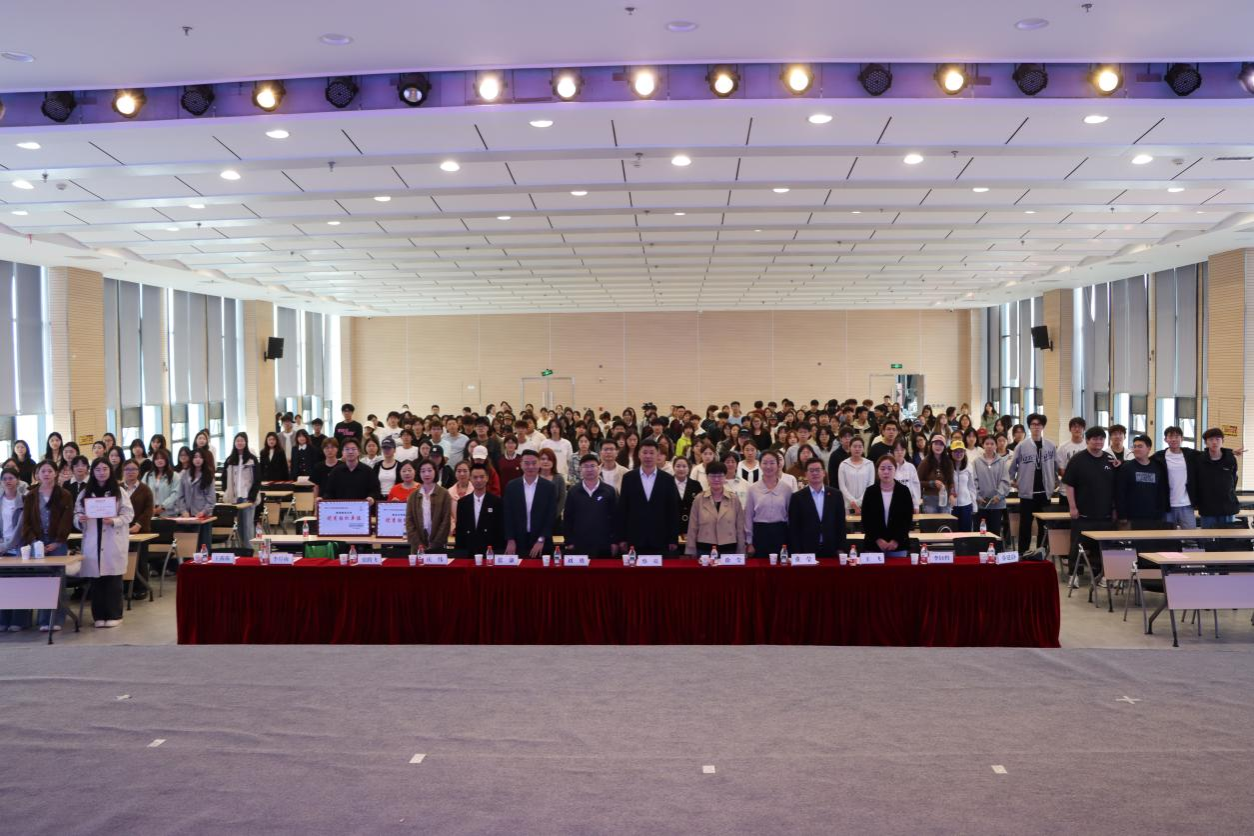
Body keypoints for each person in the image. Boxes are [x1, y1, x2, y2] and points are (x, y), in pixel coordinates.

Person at [74, 458, 135, 628]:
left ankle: (115, 614)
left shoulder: (119, 491)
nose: (101, 472)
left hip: (112, 539)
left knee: (113, 581)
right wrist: (80, 519)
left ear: (110, 471)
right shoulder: (85, 492)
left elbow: (128, 514)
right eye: (98, 469)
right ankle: (99, 616)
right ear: (92, 472)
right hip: (93, 540)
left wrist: (114, 520)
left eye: (105, 469)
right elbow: (76, 513)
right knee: (97, 581)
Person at [23, 461, 74, 631]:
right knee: (41, 580)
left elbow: (67, 520)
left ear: (56, 473)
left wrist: (58, 541)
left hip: (57, 543)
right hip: (37, 543)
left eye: (49, 471)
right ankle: (43, 619)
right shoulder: (31, 495)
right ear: (37, 474)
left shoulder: (65, 494)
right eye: (42, 471)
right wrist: (34, 541)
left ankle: (57, 618)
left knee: (58, 580)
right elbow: (26, 522)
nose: (46, 474)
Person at [1063, 427, 1119, 579]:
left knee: (1101, 547)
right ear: (1087, 440)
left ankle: (1100, 575)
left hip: (1105, 514)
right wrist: (1072, 507)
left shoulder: (1109, 459)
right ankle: (1074, 574)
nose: (1098, 442)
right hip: (1082, 514)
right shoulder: (1077, 459)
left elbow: (1115, 486)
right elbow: (1069, 485)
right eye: (1094, 439)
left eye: (1101, 439)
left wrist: (1115, 509)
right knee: (1077, 545)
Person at [615, 439, 681, 556]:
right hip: (634, 538)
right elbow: (623, 509)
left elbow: (673, 511)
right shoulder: (628, 478)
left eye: (652, 453)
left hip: (661, 538)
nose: (648, 456)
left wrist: (673, 539)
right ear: (639, 454)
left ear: (657, 455)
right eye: (645, 452)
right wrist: (622, 538)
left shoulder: (668, 479)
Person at [1009, 413, 1057, 554]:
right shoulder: (1022, 446)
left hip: (1045, 493)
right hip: (1027, 493)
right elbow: (1012, 467)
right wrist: (1013, 481)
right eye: (1033, 424)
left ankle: (1042, 551)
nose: (1036, 427)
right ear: (1029, 427)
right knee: (1025, 524)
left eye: (1039, 424)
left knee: (1044, 525)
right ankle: (1023, 552)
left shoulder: (1050, 445)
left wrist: (1055, 481)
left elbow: (1055, 466)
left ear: (1043, 427)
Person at [787, 458, 847, 558]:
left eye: (818, 470)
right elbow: (794, 527)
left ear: (824, 473)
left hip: (831, 548)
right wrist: (796, 551)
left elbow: (841, 523)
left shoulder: (836, 495)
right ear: (806, 474)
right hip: (806, 549)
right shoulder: (797, 497)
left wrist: (841, 548)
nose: (815, 473)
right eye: (811, 470)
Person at [503, 450, 557, 557]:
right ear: (521, 464)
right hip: (517, 541)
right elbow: (507, 515)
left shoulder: (549, 487)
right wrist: (510, 539)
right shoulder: (511, 486)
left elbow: (550, 516)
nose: (530, 467)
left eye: (534, 463)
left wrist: (541, 539)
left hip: (541, 541)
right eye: (527, 463)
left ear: (539, 464)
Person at [685, 461, 746, 556]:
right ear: (707, 477)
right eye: (713, 476)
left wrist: (741, 551)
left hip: (729, 547)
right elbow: (692, 527)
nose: (716, 479)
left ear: (725, 477)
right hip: (704, 548)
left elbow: (740, 527)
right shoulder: (699, 499)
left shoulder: (734, 499)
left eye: (720, 476)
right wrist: (691, 550)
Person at [562, 454, 617, 556]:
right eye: (585, 466)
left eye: (592, 466)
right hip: (579, 543)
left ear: (599, 468)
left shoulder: (609, 491)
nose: (589, 469)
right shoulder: (573, 491)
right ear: (580, 470)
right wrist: (569, 541)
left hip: (604, 543)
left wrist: (614, 541)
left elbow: (616, 518)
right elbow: (568, 518)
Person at [859, 456, 914, 557]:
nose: (886, 472)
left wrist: (896, 540)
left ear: (895, 470)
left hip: (898, 546)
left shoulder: (904, 491)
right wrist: (878, 540)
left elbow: (907, 519)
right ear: (877, 471)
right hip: (874, 545)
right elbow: (866, 520)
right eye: (882, 468)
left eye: (889, 468)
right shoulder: (870, 491)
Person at [743, 450, 792, 558]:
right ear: (760, 465)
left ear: (778, 465)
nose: (768, 466)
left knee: (781, 565)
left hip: (781, 533)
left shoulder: (787, 489)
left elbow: (790, 516)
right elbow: (748, 516)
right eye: (765, 463)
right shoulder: (753, 489)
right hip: (760, 533)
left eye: (772, 463)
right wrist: (749, 542)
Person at [1114, 435, 1169, 528]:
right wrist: (1122, 515)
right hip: (1131, 517)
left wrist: (1160, 513)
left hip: (1153, 517)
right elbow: (1120, 493)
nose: (1136, 449)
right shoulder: (1126, 467)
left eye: (1140, 446)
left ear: (1149, 448)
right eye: (1134, 446)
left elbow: (1161, 492)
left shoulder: (1157, 468)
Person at [455, 462, 506, 556]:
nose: (478, 480)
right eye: (475, 477)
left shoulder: (497, 502)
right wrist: (459, 553)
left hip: (490, 551)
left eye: (482, 477)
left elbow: (500, 529)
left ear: (487, 478)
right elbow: (460, 530)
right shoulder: (462, 503)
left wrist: (499, 552)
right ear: (470, 478)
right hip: (469, 551)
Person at [1195, 427, 1241, 528]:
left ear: (1222, 441)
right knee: (1207, 536)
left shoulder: (1230, 459)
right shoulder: (1199, 460)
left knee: (1227, 536)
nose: (1214, 442)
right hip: (1207, 507)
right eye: (1211, 439)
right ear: (1206, 443)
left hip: (1227, 506)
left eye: (1218, 439)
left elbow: (1234, 479)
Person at [404, 459, 452, 551]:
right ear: (419, 474)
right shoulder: (413, 496)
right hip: (417, 546)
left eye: (429, 470)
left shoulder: (444, 494)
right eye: (423, 471)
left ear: (435, 472)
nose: (426, 474)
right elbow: (409, 522)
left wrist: (435, 544)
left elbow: (446, 521)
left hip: (439, 545)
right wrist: (419, 545)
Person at [222, 432, 260, 545]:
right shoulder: (229, 460)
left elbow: (257, 479)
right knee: (238, 526)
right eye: (237, 441)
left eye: (242, 440)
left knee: (247, 526)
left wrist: (252, 496)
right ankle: (241, 550)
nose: (239, 443)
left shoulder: (252, 459)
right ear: (234, 443)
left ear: (246, 442)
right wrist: (227, 491)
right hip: (234, 498)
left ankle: (249, 551)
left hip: (248, 497)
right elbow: (224, 477)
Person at [972, 434, 1011, 536]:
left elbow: (1005, 481)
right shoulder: (976, 462)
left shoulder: (1002, 462)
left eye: (992, 444)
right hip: (981, 504)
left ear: (996, 445)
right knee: (979, 533)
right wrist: (977, 496)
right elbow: (973, 481)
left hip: (997, 504)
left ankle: (994, 547)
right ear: (983, 445)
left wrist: (999, 496)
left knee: (994, 533)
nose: (989, 446)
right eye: (987, 443)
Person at [180, 448, 217, 551]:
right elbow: (180, 496)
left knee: (203, 547)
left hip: (203, 517)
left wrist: (203, 512)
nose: (198, 459)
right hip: (188, 517)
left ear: (204, 459)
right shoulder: (185, 474)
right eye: (195, 457)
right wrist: (183, 510)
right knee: (189, 549)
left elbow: (211, 499)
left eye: (200, 457)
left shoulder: (208, 475)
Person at [836, 437, 875, 514]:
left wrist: (859, 501)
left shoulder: (869, 464)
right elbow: (842, 486)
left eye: (860, 446)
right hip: (848, 505)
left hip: (865, 503)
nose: (857, 449)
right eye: (854, 446)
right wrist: (853, 501)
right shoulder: (843, 464)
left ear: (863, 449)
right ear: (849, 448)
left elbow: (870, 485)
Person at [143, 449, 181, 517]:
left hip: (168, 513)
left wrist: (163, 507)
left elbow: (175, 494)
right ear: (153, 461)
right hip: (150, 512)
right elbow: (142, 492)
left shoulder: (175, 475)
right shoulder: (147, 475)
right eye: (157, 459)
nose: (159, 460)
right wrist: (148, 508)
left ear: (167, 460)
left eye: (162, 458)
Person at [672, 456, 702, 535]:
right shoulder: (666, 483)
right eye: (678, 466)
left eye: (684, 466)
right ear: (673, 468)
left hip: (691, 526)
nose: (681, 469)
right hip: (671, 526)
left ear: (689, 468)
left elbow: (700, 507)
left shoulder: (696, 485)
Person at [537, 449, 567, 528]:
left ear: (554, 462)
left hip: (555, 518)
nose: (546, 461)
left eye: (549, 459)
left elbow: (562, 499)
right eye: (543, 459)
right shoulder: (534, 478)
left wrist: (553, 515)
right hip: (536, 518)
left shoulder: (559, 478)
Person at [949, 440, 975, 532]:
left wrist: (974, 505)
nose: (958, 454)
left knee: (966, 533)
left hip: (966, 505)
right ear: (951, 452)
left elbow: (972, 487)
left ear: (964, 452)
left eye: (961, 451)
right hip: (951, 506)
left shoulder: (969, 466)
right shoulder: (947, 466)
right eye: (956, 451)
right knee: (952, 533)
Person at [892, 440, 921, 511]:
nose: (899, 452)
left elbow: (916, 487)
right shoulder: (890, 467)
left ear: (906, 451)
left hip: (908, 503)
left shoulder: (911, 467)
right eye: (896, 450)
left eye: (902, 450)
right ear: (893, 451)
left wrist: (916, 505)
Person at [445, 461, 474, 530]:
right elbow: (447, 514)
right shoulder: (449, 492)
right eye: (459, 471)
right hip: (454, 530)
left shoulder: (476, 490)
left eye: (465, 471)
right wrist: (453, 527)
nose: (462, 474)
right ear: (455, 473)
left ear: (470, 473)